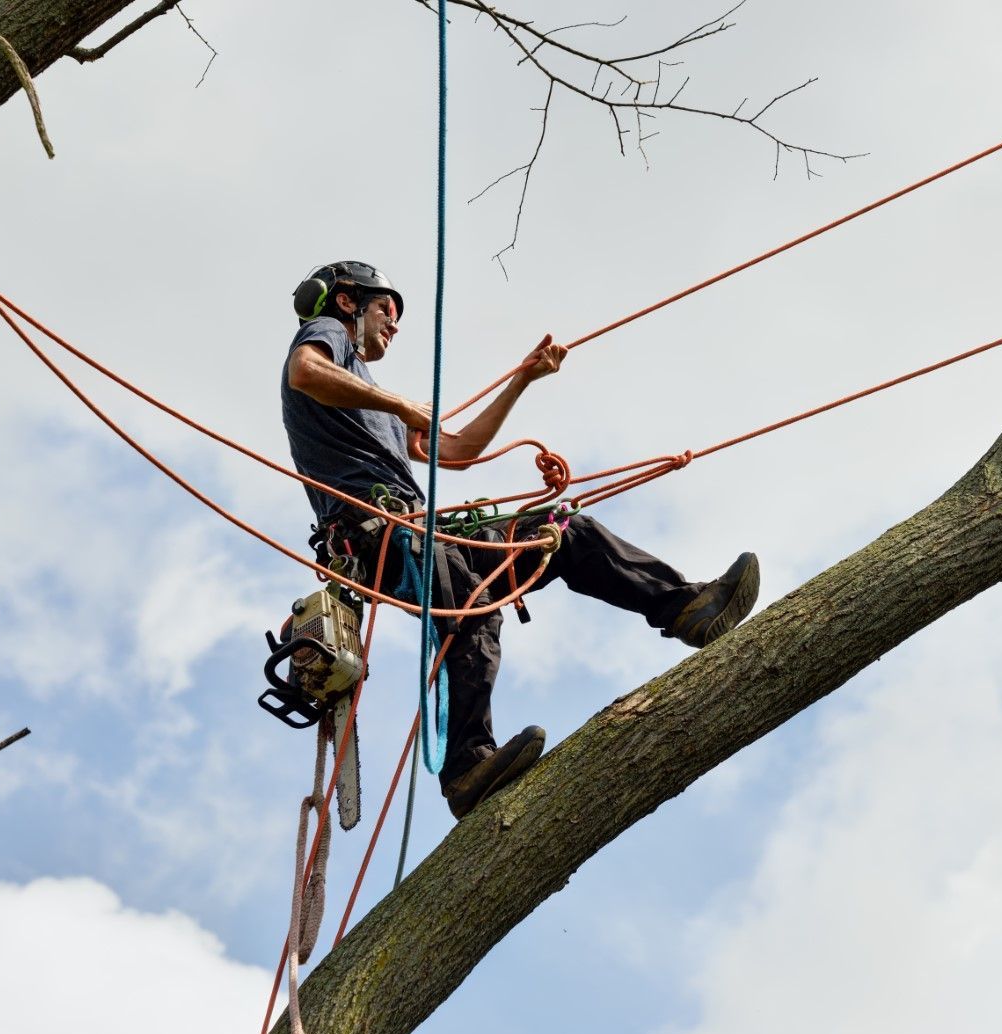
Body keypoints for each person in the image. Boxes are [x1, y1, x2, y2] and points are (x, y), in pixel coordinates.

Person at [280, 261, 760, 820]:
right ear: (346, 302)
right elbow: (303, 372)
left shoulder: (369, 393)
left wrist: (522, 381)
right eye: (387, 307)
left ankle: (686, 609)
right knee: (470, 606)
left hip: (422, 532)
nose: (394, 322)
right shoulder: (330, 341)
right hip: (379, 534)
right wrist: (403, 406)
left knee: (562, 533)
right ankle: (465, 769)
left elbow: (458, 450)